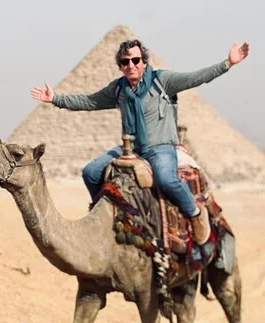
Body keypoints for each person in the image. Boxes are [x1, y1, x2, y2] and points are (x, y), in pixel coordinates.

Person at [30, 39, 250, 245]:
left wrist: (228, 63)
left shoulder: (162, 81)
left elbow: (196, 77)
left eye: (136, 60)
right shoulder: (119, 89)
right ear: (120, 66)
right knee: (91, 172)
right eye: (125, 62)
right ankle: (103, 219)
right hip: (131, 148)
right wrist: (55, 99)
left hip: (160, 147)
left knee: (166, 179)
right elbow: (89, 101)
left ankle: (194, 213)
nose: (131, 65)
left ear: (144, 61)